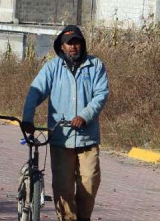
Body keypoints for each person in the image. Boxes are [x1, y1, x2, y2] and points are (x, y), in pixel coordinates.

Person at [22, 25, 109, 221]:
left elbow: (101, 94)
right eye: (69, 43)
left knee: (89, 182)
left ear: (82, 44)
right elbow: (35, 91)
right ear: (61, 47)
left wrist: (85, 115)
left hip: (88, 138)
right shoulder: (52, 68)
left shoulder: (95, 65)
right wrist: (28, 117)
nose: (73, 47)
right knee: (63, 188)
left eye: (76, 42)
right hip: (61, 139)